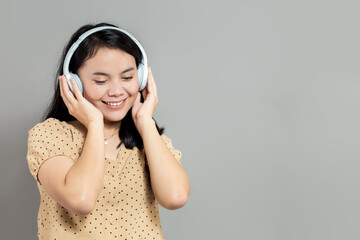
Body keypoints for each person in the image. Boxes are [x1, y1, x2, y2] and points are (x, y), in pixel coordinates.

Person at [26, 22, 190, 240]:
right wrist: (94, 124)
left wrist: (145, 122)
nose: (116, 91)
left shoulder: (150, 140)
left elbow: (175, 197)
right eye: (101, 80)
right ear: (74, 82)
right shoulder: (50, 136)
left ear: (141, 78)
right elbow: (81, 200)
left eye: (128, 78)